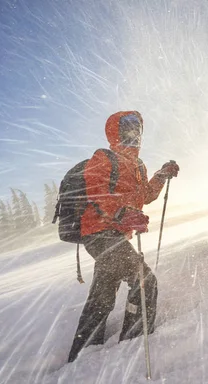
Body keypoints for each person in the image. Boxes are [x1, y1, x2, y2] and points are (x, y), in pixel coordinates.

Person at [68, 110, 179, 363]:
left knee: (103, 294)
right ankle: (133, 345)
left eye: (137, 129)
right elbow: (96, 193)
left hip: (116, 236)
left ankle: (82, 353)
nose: (134, 134)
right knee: (144, 281)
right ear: (115, 132)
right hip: (99, 235)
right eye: (128, 128)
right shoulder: (103, 158)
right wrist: (121, 213)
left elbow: (145, 196)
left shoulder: (139, 165)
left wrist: (161, 175)